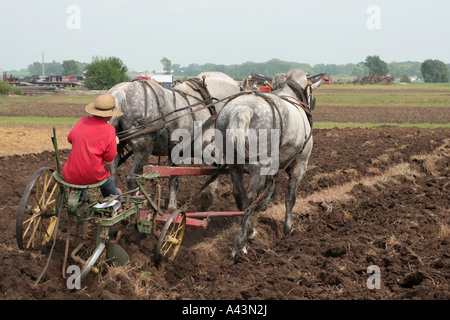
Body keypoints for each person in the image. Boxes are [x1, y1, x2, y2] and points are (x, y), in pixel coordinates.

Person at [63, 94, 123, 198]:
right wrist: (113, 141)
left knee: (79, 181)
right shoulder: (109, 130)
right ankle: (114, 203)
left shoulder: (82, 120)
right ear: (110, 115)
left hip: (70, 174)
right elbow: (109, 162)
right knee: (107, 180)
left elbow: (70, 138)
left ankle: (80, 199)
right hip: (93, 176)